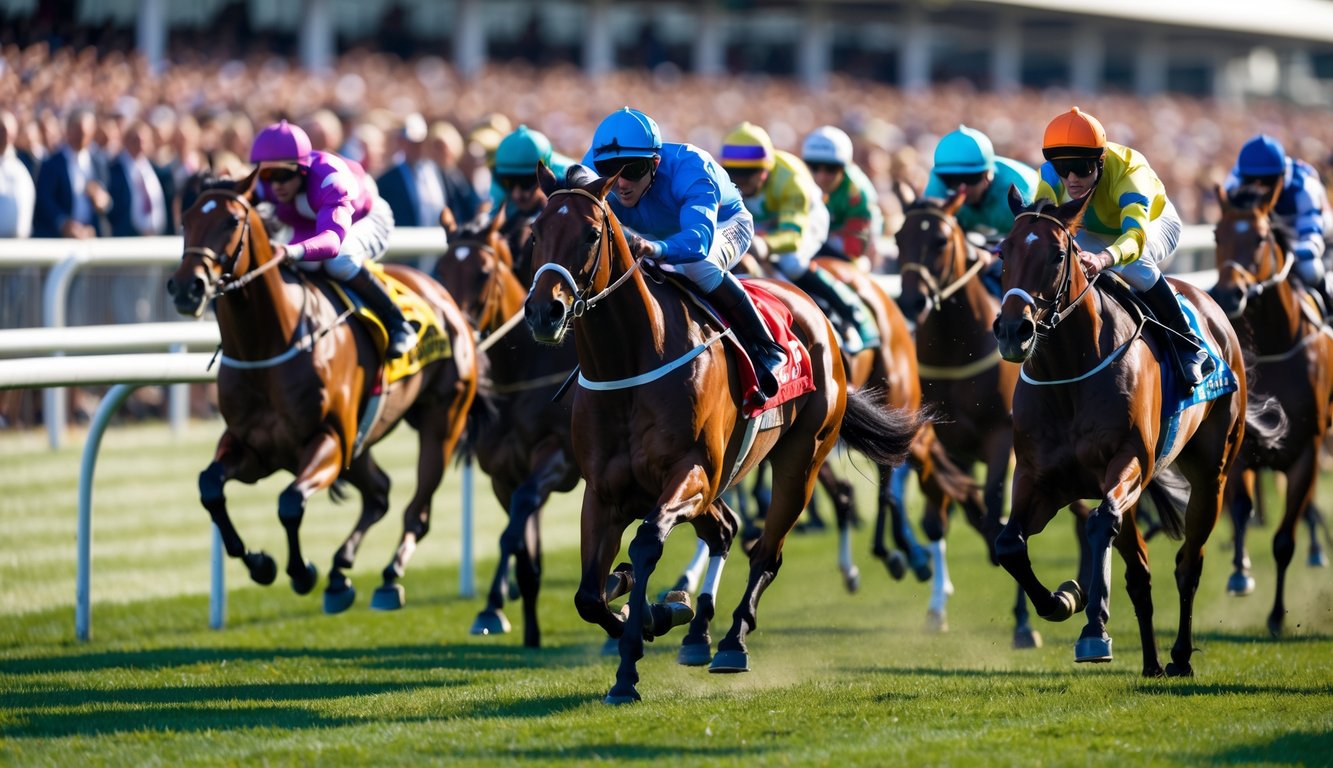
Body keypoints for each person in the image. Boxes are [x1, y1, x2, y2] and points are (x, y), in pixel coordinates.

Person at [582, 107, 786, 400]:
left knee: (697, 266)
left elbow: (697, 242)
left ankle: (765, 346)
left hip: (721, 225)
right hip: (654, 234)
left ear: (655, 162)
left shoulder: (692, 169)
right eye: (610, 171)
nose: (622, 183)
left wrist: (656, 248)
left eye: (633, 170)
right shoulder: (592, 165)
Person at [1035, 106, 1212, 387]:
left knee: (1133, 264)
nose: (1071, 179)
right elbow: (1044, 226)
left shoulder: (1130, 173)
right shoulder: (1049, 175)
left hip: (1152, 224)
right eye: (1063, 169)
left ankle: (1188, 342)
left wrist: (1105, 258)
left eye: (1081, 168)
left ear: (1101, 160)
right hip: (1093, 230)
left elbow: (1135, 237)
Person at [249, 120, 416, 360]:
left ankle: (399, 323)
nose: (276, 184)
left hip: (363, 218)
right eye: (267, 174)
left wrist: (291, 251)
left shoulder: (329, 180)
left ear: (302, 169)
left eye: (283, 175)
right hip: (313, 220)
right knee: (302, 265)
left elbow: (332, 242)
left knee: (340, 260)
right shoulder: (269, 185)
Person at [721, 121, 877, 354]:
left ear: (766, 170)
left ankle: (849, 311)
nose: (740, 182)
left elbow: (792, 237)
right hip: (763, 224)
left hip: (808, 220)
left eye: (749, 174)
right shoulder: (723, 179)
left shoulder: (791, 179)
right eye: (734, 174)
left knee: (790, 262)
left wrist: (765, 244)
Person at [1223, 134, 1333, 315]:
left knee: (1310, 269)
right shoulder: (1234, 182)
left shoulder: (1304, 188)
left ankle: (1328, 312)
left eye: (1267, 181)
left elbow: (1310, 236)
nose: (1259, 187)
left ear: (1282, 176)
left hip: (1316, 236)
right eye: (1251, 180)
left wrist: (1285, 253)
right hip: (1274, 236)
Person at [925, 124, 1038, 294]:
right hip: (975, 240)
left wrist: (994, 255)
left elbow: (1035, 241)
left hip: (1018, 239)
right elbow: (929, 235)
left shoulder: (1022, 188)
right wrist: (974, 251)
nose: (961, 188)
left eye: (969, 179)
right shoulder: (937, 185)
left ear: (988, 174)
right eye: (951, 180)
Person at [800, 125, 884, 268]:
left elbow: (855, 249)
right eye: (814, 166)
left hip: (850, 252)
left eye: (831, 168)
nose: (822, 176)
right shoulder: (798, 179)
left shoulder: (858, 193)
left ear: (846, 167)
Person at [33, 108, 111, 239]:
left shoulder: (98, 162)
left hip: (92, 236)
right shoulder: (51, 164)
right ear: (68, 130)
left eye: (86, 132)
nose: (81, 136)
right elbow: (44, 200)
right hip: (59, 238)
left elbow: (107, 197)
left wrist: (103, 201)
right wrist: (63, 223)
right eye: (78, 131)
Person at [489, 124, 575, 227]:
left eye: (526, 182)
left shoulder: (569, 177)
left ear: (547, 174)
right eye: (509, 182)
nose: (516, 194)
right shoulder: (497, 185)